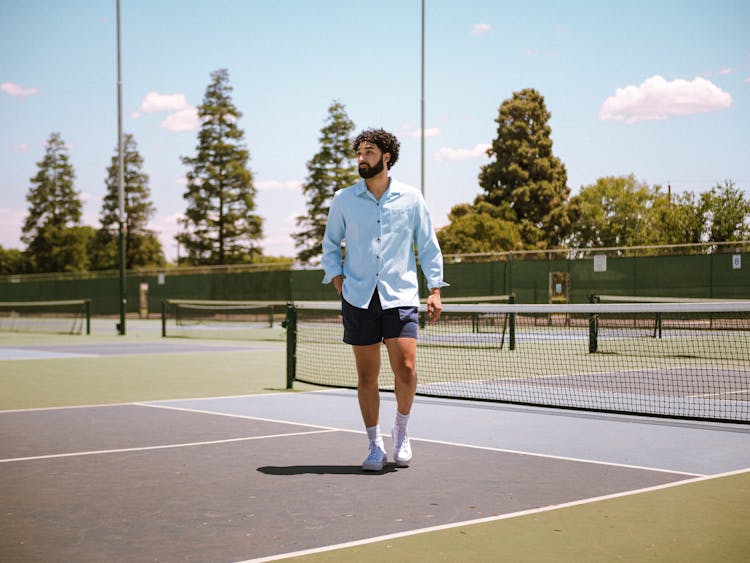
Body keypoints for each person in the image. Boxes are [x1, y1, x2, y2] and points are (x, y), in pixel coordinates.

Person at [321, 128, 448, 471]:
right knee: (367, 376)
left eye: (370, 152)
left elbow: (427, 245)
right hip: (358, 298)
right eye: (359, 152)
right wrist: (339, 283)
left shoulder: (411, 198)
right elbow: (330, 245)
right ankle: (374, 443)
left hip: (401, 295)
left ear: (387, 157)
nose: (362, 157)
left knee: (405, 370)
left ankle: (402, 432)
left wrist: (434, 290)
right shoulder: (343, 199)